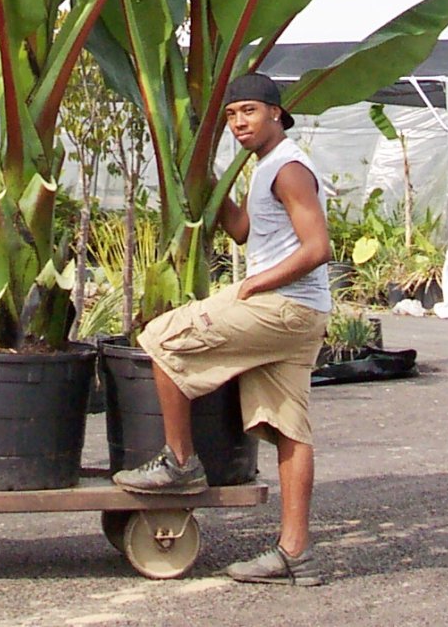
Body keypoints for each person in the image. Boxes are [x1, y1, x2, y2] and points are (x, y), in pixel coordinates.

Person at [112, 71, 331, 587]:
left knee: (162, 337)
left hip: (281, 305)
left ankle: (180, 461)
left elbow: (317, 247)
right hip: (302, 313)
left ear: (276, 113)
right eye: (232, 114)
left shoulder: (288, 168)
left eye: (249, 111)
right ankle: (294, 554)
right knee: (288, 429)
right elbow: (244, 231)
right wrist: (207, 182)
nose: (239, 122)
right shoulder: (265, 167)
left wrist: (258, 286)